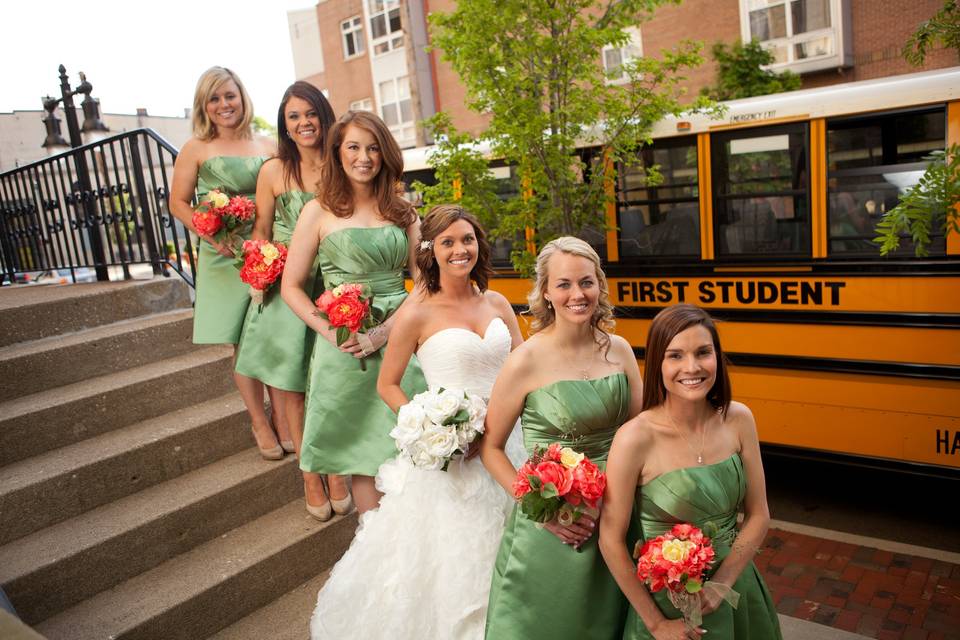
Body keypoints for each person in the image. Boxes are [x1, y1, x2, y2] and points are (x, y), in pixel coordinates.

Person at [310, 204, 526, 639]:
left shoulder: (498, 303)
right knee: (457, 558)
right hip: (455, 456)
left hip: (511, 442)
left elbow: (524, 366)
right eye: (448, 242)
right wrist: (431, 429)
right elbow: (388, 384)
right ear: (431, 251)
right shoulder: (416, 312)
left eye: (467, 239)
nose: (460, 249)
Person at [480, 236, 644, 639]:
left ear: (599, 286)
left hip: (622, 509)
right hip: (560, 517)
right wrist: (541, 510)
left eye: (586, 282)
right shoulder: (526, 360)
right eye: (565, 284)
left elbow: (643, 431)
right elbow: (491, 448)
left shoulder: (620, 350)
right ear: (547, 293)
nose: (577, 294)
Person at [598, 304, 782, 640]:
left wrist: (723, 583)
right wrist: (657, 624)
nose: (692, 367)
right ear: (658, 363)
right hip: (668, 604)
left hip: (737, 588)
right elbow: (610, 540)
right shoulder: (635, 437)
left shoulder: (739, 419)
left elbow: (759, 515)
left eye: (703, 353)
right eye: (676, 356)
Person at [281, 110, 425, 515]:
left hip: (404, 338)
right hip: (344, 346)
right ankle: (373, 547)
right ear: (338, 153)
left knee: (411, 441)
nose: (365, 157)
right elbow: (291, 287)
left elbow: (425, 283)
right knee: (362, 449)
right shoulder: (317, 212)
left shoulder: (404, 212)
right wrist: (330, 334)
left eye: (374, 147)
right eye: (354, 147)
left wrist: (385, 333)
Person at [233, 81, 342, 518]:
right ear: (285, 125)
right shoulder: (273, 171)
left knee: (329, 382)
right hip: (286, 286)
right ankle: (309, 475)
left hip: (334, 282)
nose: (303, 123)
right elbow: (261, 231)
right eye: (293, 117)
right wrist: (258, 272)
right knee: (292, 387)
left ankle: (335, 466)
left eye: (310, 113)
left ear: (323, 116)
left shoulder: (341, 165)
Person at [168, 66, 284, 459]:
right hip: (225, 253)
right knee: (242, 340)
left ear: (242, 97)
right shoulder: (196, 148)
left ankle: (285, 417)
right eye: (214, 98)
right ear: (204, 105)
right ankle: (258, 421)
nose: (223, 105)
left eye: (229, 96)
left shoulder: (269, 145)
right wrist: (211, 235)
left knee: (269, 333)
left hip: (268, 250)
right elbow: (178, 203)